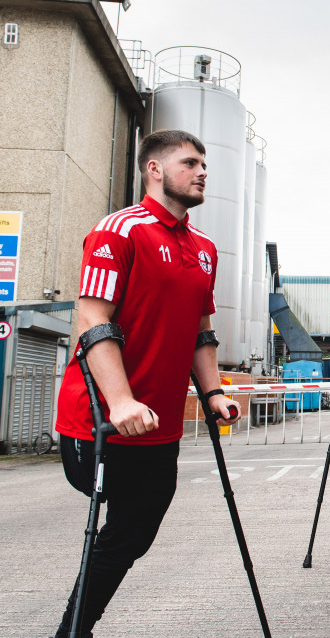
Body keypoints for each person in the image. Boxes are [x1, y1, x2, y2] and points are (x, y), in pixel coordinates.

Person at [52, 129, 241, 638]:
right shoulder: (120, 230)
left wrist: (215, 392)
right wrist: (120, 401)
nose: (203, 172)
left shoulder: (204, 248)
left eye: (205, 164)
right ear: (154, 170)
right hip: (101, 421)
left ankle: (75, 626)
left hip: (161, 422)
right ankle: (75, 630)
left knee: (134, 533)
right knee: (121, 526)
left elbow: (203, 332)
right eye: (190, 163)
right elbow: (93, 317)